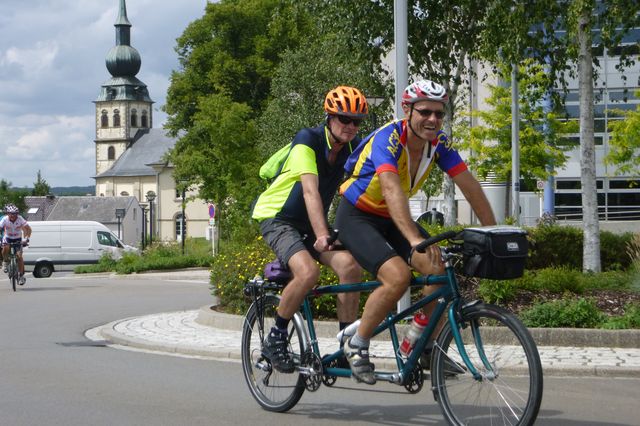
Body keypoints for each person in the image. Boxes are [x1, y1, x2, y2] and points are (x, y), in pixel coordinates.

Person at [335, 80, 497, 384]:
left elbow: (469, 185)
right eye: (425, 112)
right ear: (406, 109)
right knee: (398, 276)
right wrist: (413, 238)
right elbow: (391, 189)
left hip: (392, 218)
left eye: (439, 113)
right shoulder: (389, 138)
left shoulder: (439, 144)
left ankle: (420, 345)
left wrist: (493, 231)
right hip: (358, 215)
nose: (433, 120)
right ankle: (357, 343)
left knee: (436, 266)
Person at [251, 86, 369, 373]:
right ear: (329, 117)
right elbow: (309, 191)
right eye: (344, 118)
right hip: (279, 218)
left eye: (357, 121)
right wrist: (321, 235)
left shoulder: (354, 148)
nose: (351, 126)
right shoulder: (307, 140)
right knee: (308, 272)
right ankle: (276, 337)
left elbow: (363, 190)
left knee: (351, 268)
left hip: (311, 223)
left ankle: (345, 345)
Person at [1, 204, 32, 286]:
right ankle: (5, 261)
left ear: (17, 214)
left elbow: (28, 229)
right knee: (5, 248)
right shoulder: (4, 219)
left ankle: (21, 276)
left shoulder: (20, 219)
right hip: (8, 238)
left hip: (18, 239)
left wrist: (27, 239)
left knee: (19, 256)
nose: (13, 215)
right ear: (8, 214)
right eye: (11, 213)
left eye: (15, 213)